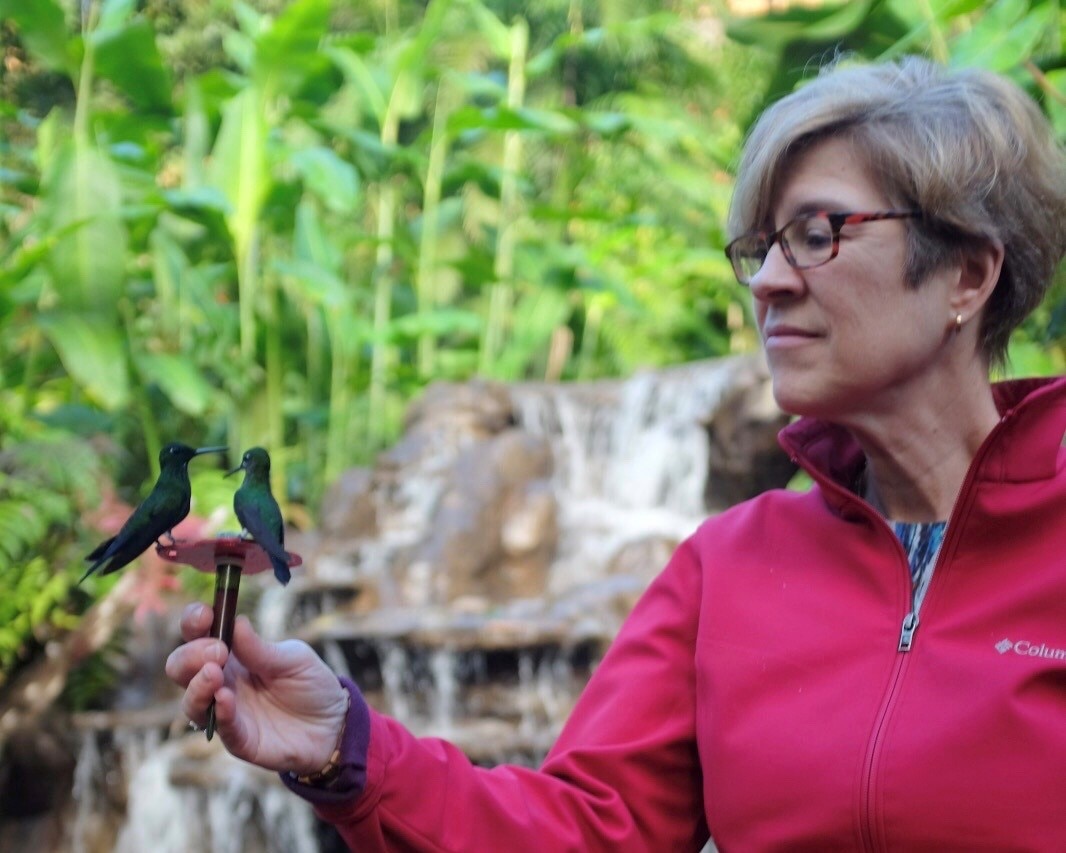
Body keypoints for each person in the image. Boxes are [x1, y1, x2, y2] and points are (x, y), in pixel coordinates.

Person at [166, 54, 1066, 850]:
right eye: (759, 248)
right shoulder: (730, 565)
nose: (769, 280)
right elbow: (586, 831)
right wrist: (345, 749)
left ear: (968, 274)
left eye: (820, 233)